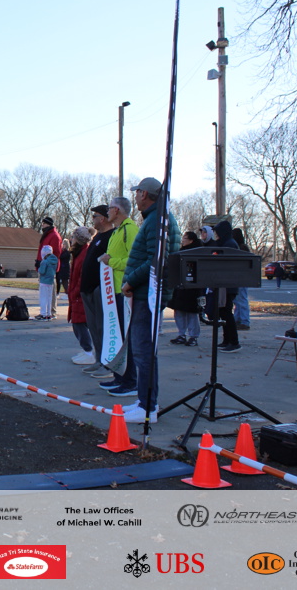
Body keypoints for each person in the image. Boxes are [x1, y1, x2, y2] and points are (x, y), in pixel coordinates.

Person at [120, 177, 181, 424]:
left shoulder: (158, 220)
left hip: (148, 294)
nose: (135, 197)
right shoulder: (157, 218)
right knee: (143, 351)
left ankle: (148, 407)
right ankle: (144, 401)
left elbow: (155, 260)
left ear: (144, 194)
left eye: (137, 192)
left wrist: (130, 281)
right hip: (147, 293)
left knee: (144, 351)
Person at [96, 196, 139, 394]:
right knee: (116, 336)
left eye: (110, 208)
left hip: (124, 291)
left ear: (117, 210)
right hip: (111, 293)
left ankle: (130, 382)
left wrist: (111, 262)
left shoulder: (130, 229)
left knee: (125, 338)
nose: (107, 212)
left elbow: (134, 260)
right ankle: (119, 377)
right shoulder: (116, 231)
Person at [79, 205, 114, 372]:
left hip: (99, 289)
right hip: (87, 288)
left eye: (95, 216)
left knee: (102, 327)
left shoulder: (111, 236)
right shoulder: (98, 237)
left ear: (103, 218)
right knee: (93, 327)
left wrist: (100, 288)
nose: (92, 219)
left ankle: (107, 362)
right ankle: (99, 359)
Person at [210, 220, 242, 353]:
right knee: (223, 312)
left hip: (228, 284)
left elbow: (226, 264)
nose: (216, 234)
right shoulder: (225, 243)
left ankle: (234, 342)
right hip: (225, 284)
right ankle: (226, 340)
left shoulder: (229, 244)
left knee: (227, 313)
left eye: (217, 232)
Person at [167, 231, 203, 347]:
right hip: (179, 286)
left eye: (185, 238)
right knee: (179, 310)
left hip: (192, 287)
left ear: (191, 240)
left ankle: (193, 336)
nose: (182, 240)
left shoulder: (197, 252)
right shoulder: (181, 252)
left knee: (191, 312)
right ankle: (181, 334)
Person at [67, 226, 96, 363]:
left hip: (79, 294)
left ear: (79, 239)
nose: (71, 239)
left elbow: (82, 277)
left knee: (79, 323)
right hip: (76, 294)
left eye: (73, 237)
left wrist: (75, 292)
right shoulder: (78, 253)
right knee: (78, 323)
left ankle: (88, 352)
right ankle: (86, 350)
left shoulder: (84, 254)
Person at [37, 217, 62, 316]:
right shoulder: (47, 235)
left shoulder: (54, 236)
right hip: (43, 266)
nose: (42, 225)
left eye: (43, 223)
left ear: (48, 224)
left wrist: (47, 263)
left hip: (49, 269)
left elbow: (56, 253)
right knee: (43, 292)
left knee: (50, 290)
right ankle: (44, 311)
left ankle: (51, 311)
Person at [232, 227, 251, 330]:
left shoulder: (241, 248)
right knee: (238, 300)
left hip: (241, 277)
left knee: (241, 299)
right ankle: (238, 319)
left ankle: (244, 321)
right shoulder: (243, 247)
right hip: (241, 277)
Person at [37, 245, 58, 320]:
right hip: (51, 281)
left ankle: (43, 314)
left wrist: (39, 268)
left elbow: (42, 271)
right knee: (49, 298)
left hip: (44, 281)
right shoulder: (54, 261)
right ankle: (49, 314)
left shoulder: (44, 261)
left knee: (43, 298)